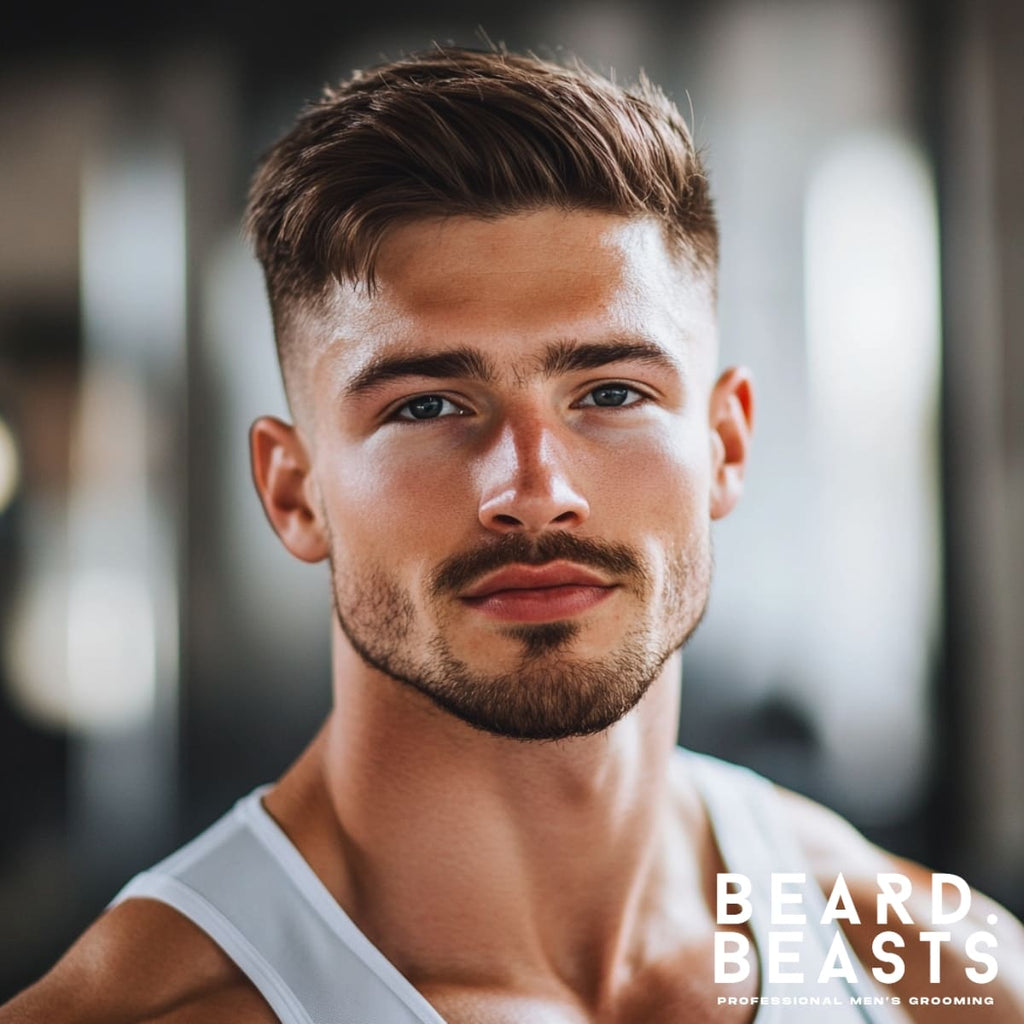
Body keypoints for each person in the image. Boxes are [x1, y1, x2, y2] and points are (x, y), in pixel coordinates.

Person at [3, 47, 1022, 1024]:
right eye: (428, 406)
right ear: (292, 490)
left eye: (611, 392)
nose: (534, 493)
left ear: (724, 445)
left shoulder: (924, 968)